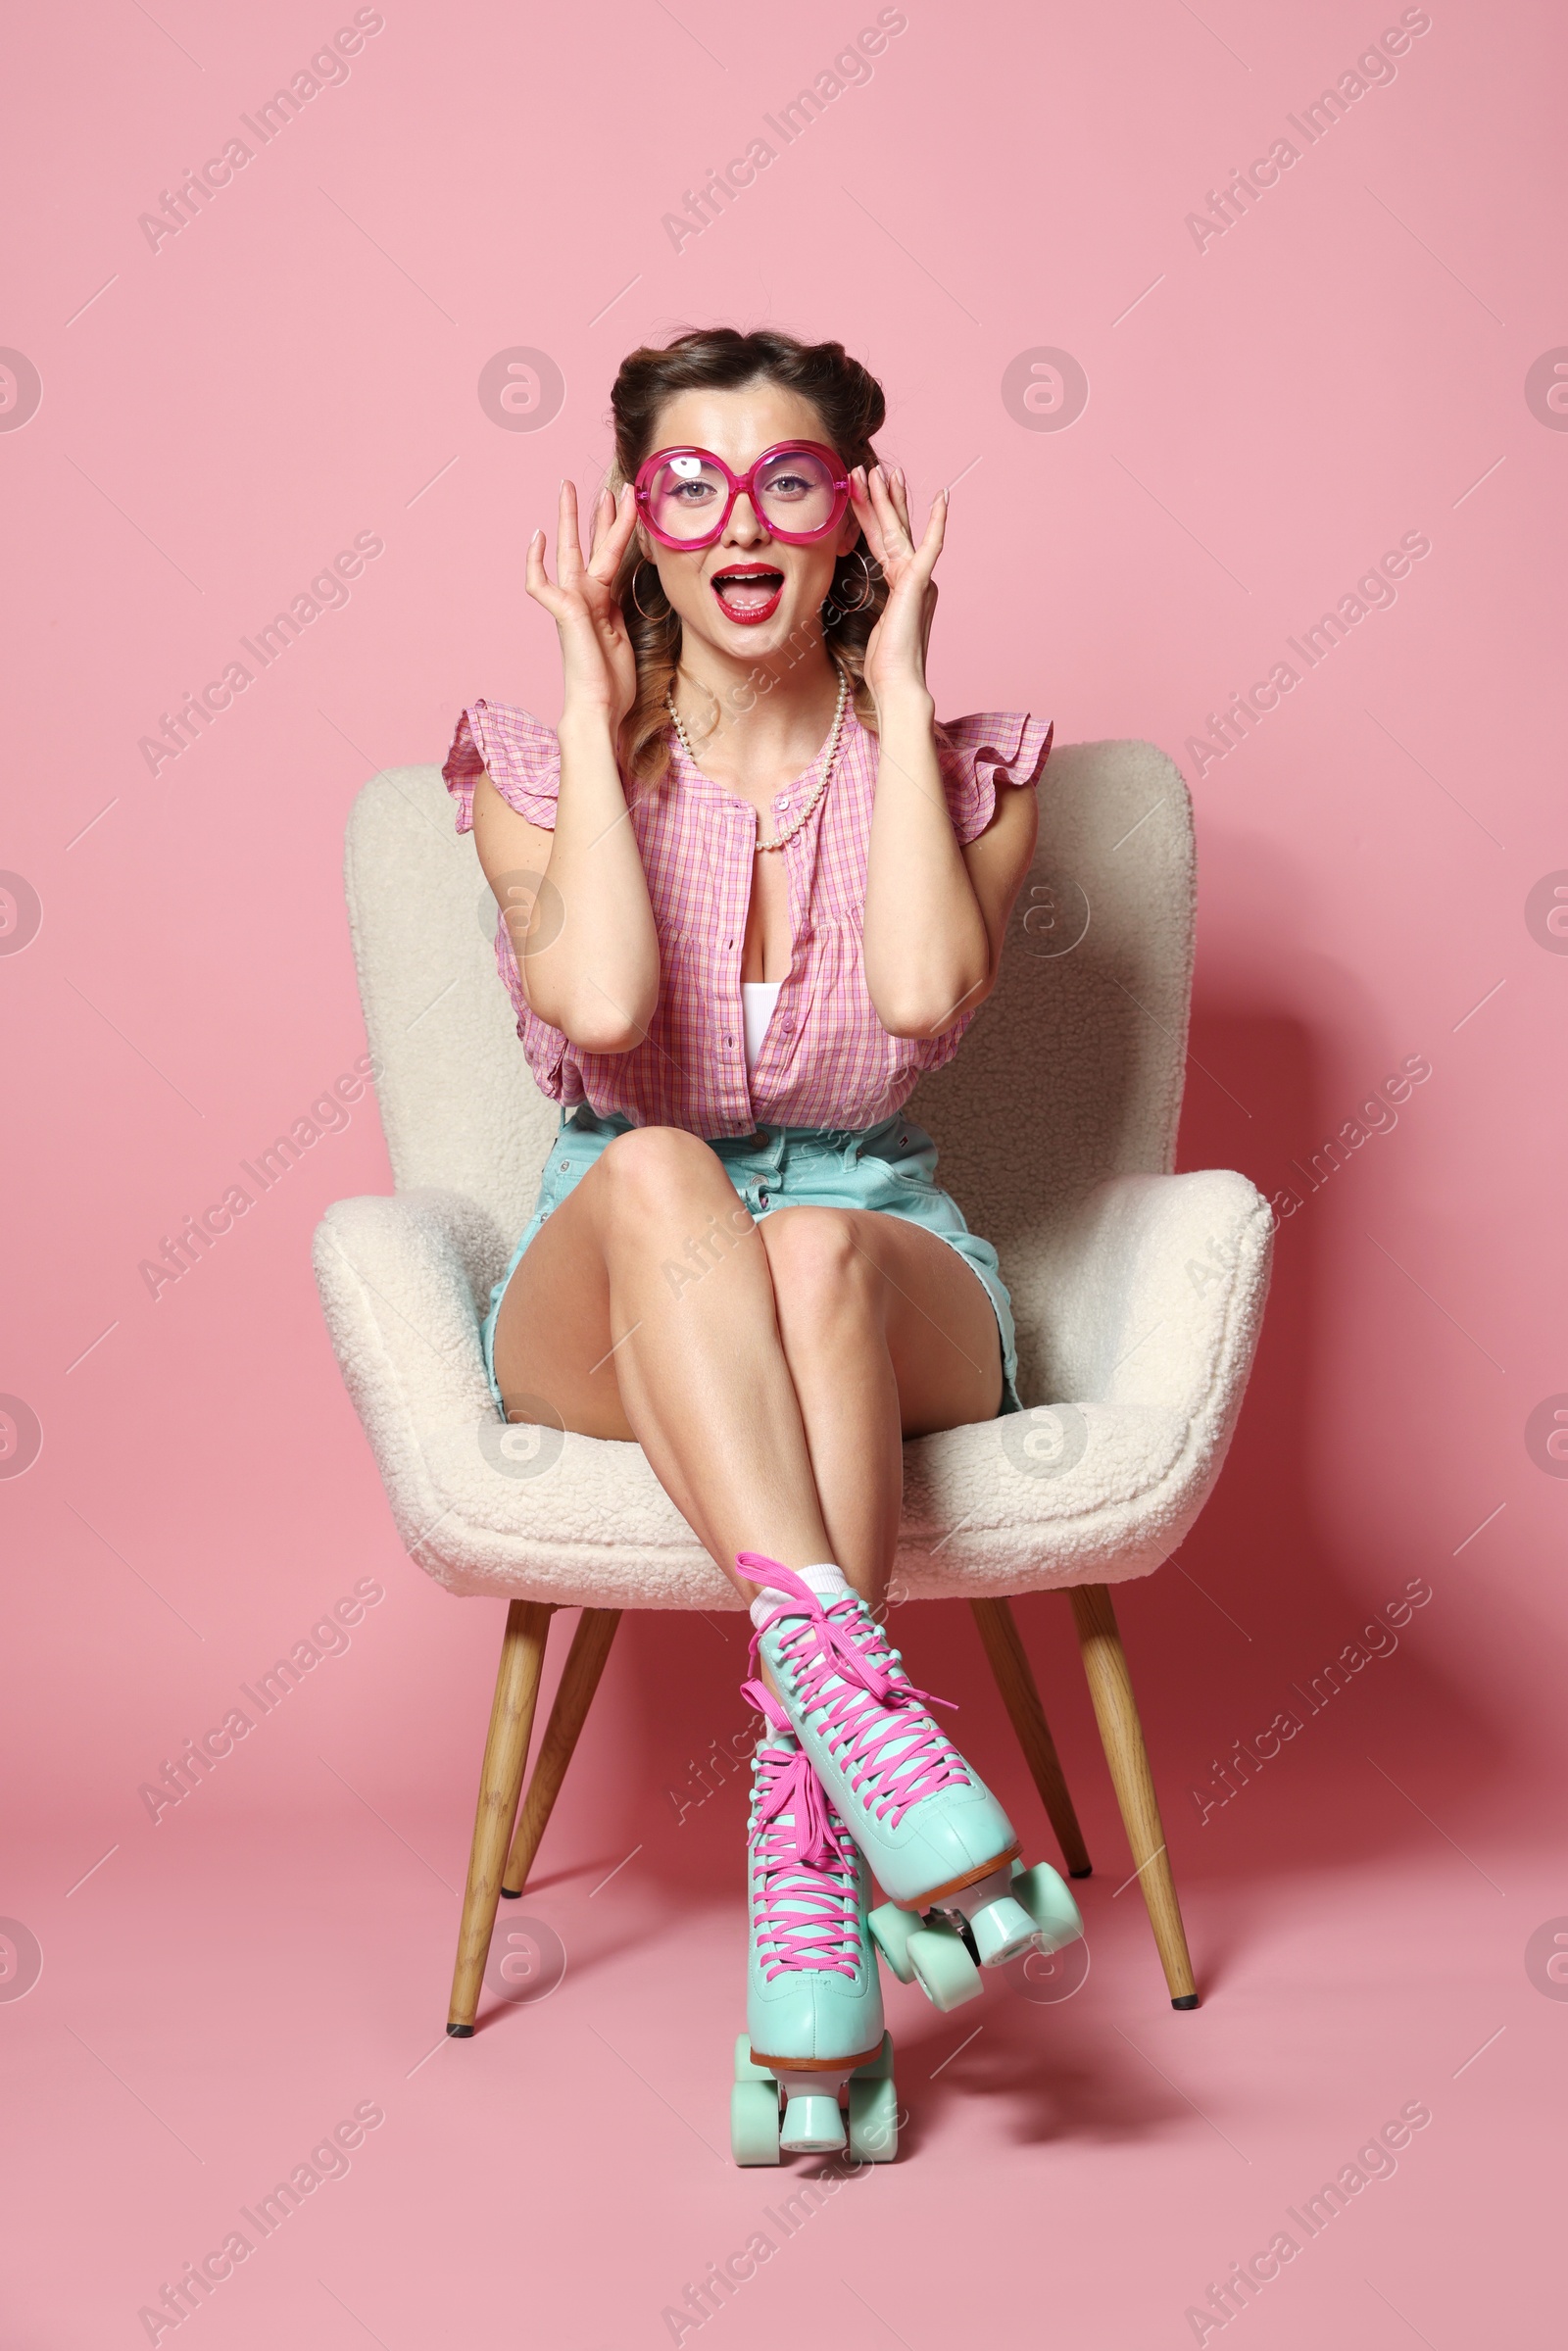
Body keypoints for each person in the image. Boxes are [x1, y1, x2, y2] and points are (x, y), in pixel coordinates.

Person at [443, 326, 1080, 2161]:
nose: (743, 519)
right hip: (615, 1274)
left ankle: (817, 1842)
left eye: (789, 480)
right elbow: (608, 998)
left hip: (883, 1251)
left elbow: (921, 992)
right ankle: (884, 1774)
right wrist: (586, 687)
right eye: (692, 483)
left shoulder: (969, 769)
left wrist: (895, 684)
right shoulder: (527, 766)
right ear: (638, 522)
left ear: (851, 512)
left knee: (809, 1248)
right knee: (664, 1173)